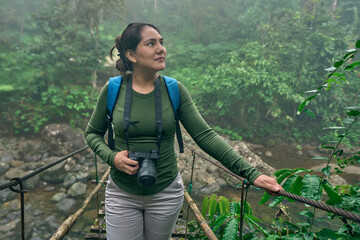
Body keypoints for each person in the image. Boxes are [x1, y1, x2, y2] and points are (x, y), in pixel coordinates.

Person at [85, 22, 283, 240]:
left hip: (165, 194)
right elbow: (92, 134)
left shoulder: (174, 90)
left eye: (161, 42)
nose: (161, 48)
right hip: (122, 193)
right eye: (151, 43)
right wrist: (112, 158)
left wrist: (252, 174)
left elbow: (205, 136)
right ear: (131, 55)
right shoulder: (113, 89)